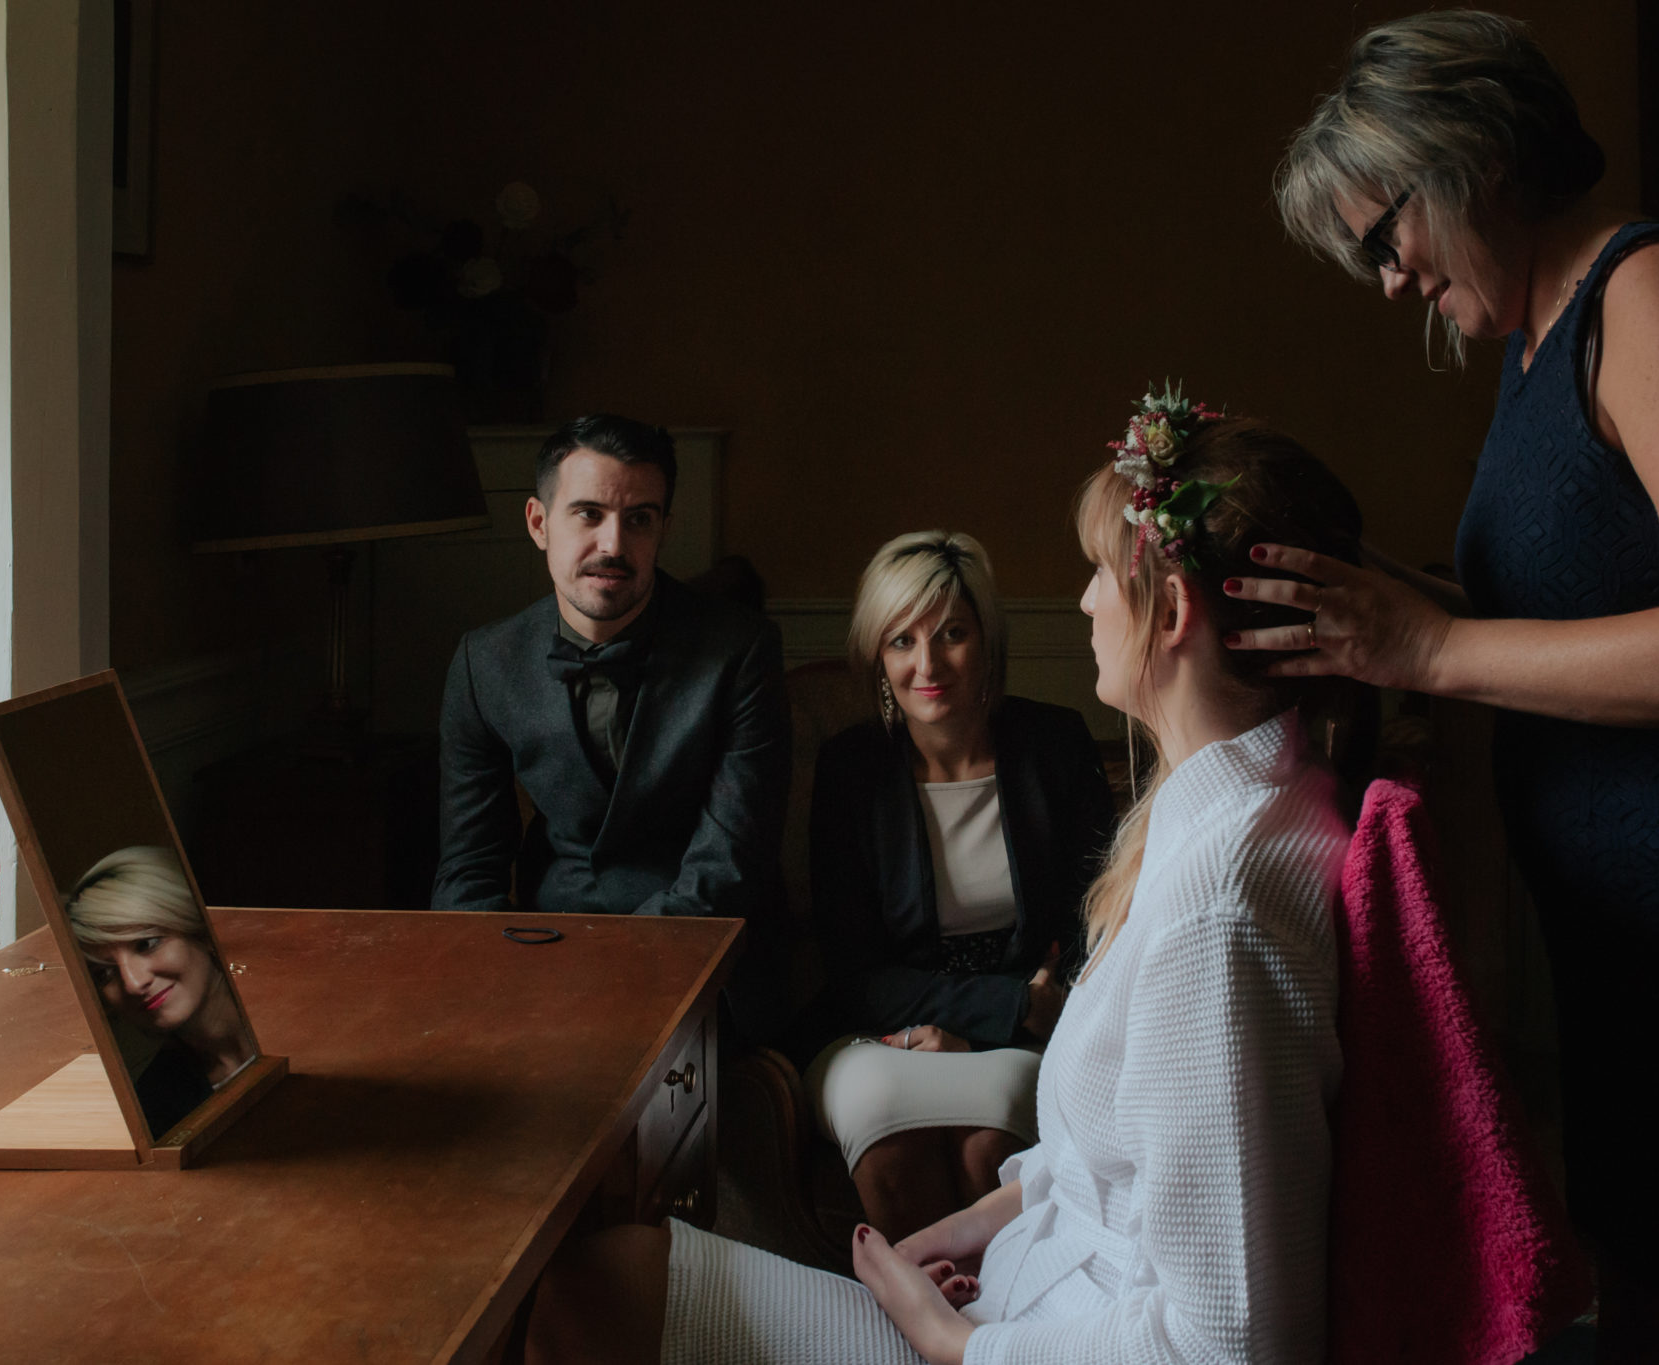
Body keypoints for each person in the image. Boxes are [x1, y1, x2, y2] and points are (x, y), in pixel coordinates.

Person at [522, 389, 1361, 1365]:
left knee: (592, 1292)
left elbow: (1224, 1342)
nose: (1083, 600)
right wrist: (975, 1225)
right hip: (1012, 1291)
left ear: (1168, 612)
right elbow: (1111, 1164)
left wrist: (952, 1343)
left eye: (1097, 574)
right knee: (598, 1272)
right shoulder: (1215, 814)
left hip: (1013, 1341)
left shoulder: (1217, 914)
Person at [1266, 11, 1659, 1360]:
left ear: (1469, 158)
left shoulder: (1656, 296)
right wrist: (1397, 609)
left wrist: (1430, 648)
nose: (1387, 280)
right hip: (1651, 966)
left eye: (1383, 237)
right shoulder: (1537, 345)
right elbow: (1598, 619)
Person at [802, 530, 1114, 1238]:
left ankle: (996, 1338)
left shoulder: (1054, 744)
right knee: (888, 1138)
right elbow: (853, 968)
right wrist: (1006, 1005)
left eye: (952, 633)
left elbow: (1099, 910)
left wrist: (1015, 1023)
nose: (928, 663)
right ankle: (920, 1334)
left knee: (988, 1142)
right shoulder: (850, 769)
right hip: (881, 1034)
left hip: (1028, 1036)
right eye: (901, 641)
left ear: (988, 643)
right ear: (879, 658)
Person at [431, 414, 792, 1026]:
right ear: (539, 523)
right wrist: (485, 981)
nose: (614, 546)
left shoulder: (741, 649)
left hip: (708, 966)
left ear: (664, 530)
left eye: (640, 519)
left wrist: (604, 974)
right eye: (589, 514)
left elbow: (730, 862)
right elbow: (469, 866)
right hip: (545, 955)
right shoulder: (482, 662)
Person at [66, 845, 257, 1137]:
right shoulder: (152, 1107)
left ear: (200, 932)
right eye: (104, 974)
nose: (132, 983)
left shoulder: (310, 1023)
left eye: (147, 944)